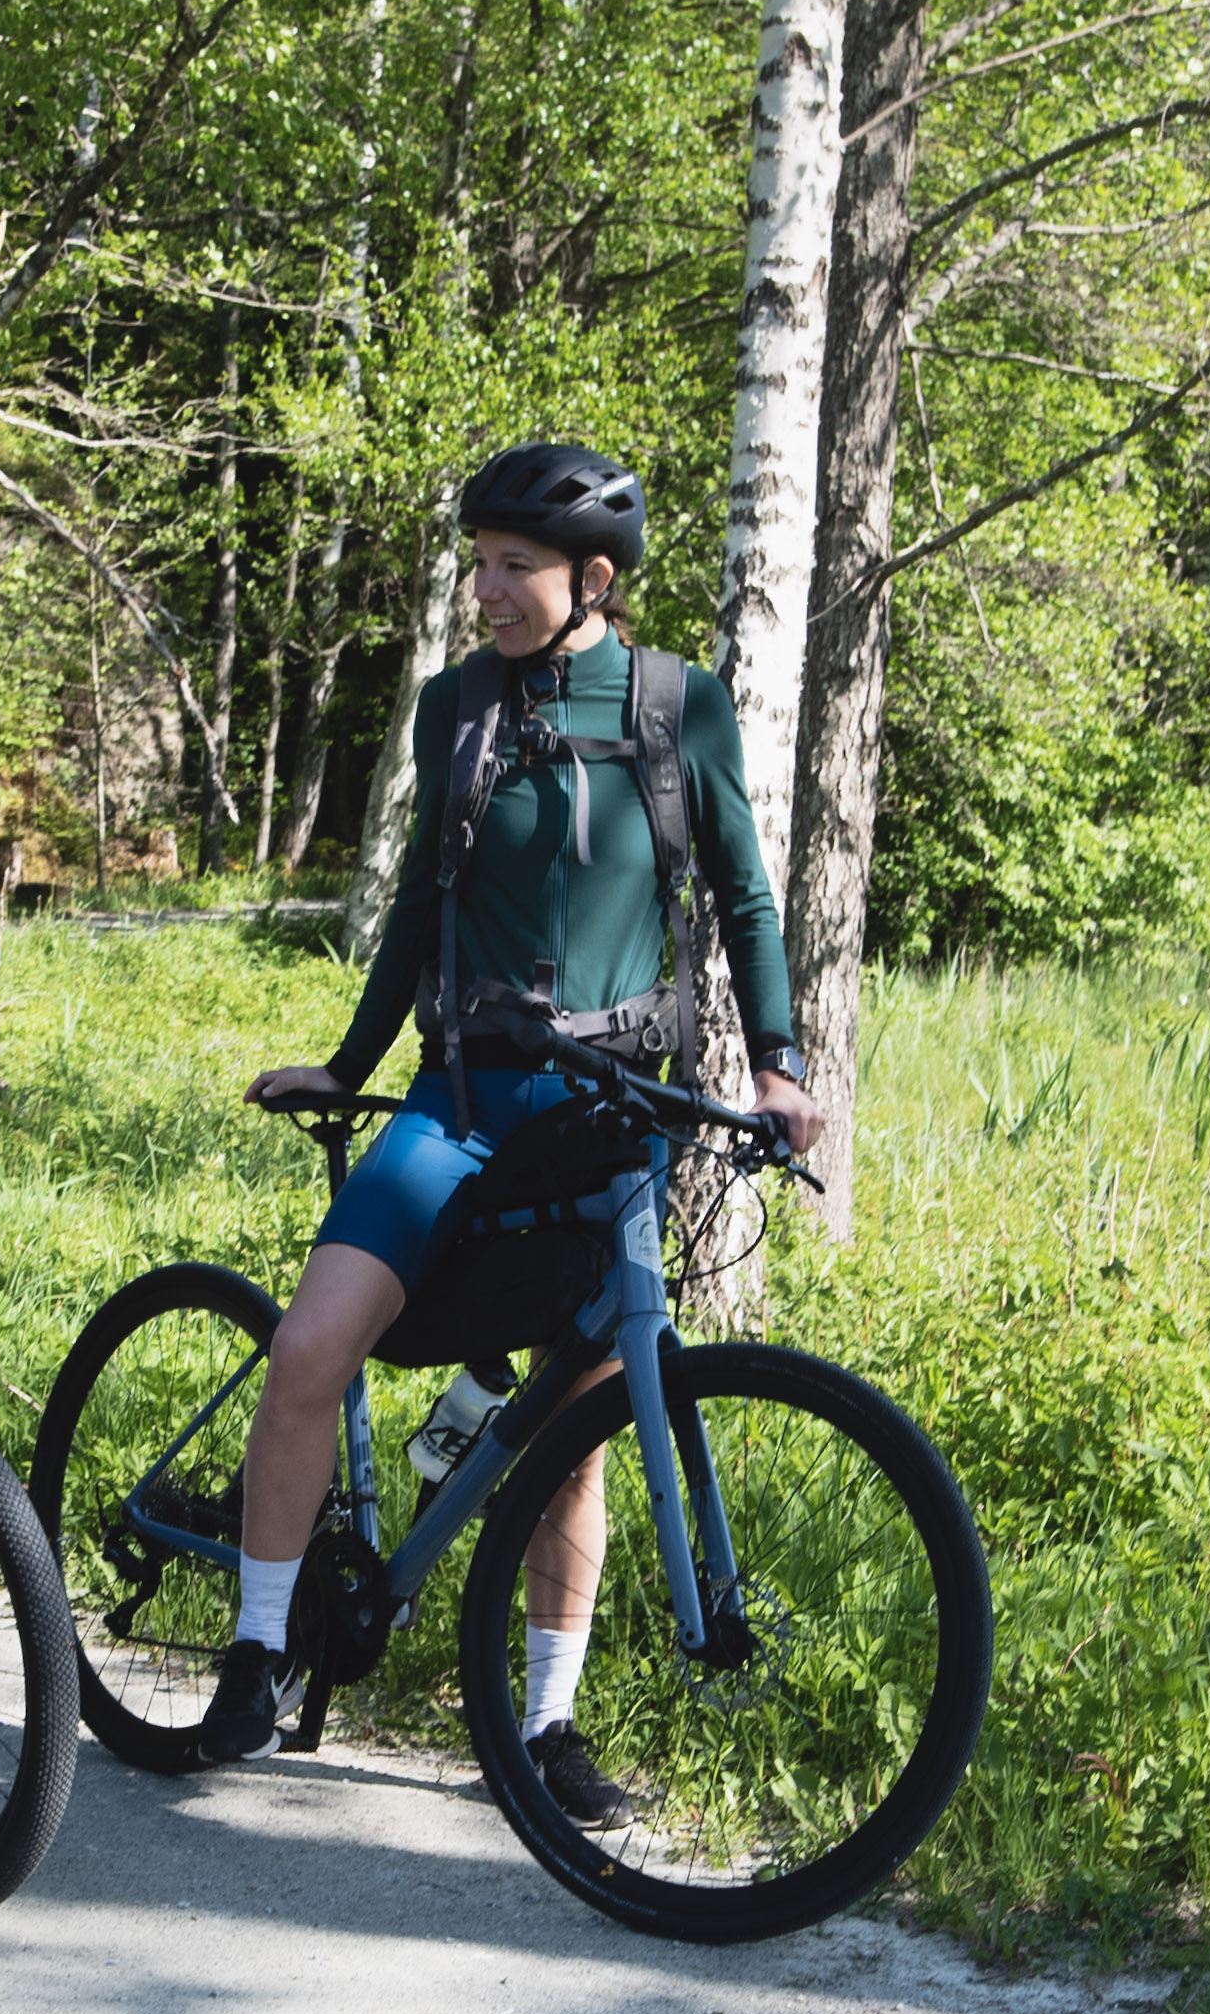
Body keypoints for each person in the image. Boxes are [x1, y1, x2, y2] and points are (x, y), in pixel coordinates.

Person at [202, 442, 823, 1814]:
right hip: (465, 1098)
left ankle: (544, 1730)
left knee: (576, 1427)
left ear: (594, 579)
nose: (484, 587)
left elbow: (746, 899)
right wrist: (348, 1062)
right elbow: (424, 899)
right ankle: (254, 1648)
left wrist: (777, 1066)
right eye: (476, 561)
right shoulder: (455, 707)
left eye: (513, 567)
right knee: (310, 1345)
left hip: (613, 1118)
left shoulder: (682, 706)